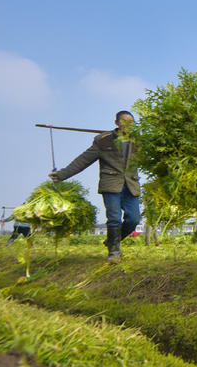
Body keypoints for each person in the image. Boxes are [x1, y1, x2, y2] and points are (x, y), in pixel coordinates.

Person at [49, 111, 140, 261]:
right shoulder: (103, 141)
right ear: (117, 123)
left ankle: (112, 241)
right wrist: (61, 175)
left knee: (134, 219)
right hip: (111, 184)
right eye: (125, 121)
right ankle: (114, 251)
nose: (129, 124)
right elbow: (82, 160)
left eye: (132, 121)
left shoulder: (139, 141)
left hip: (131, 184)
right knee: (114, 218)